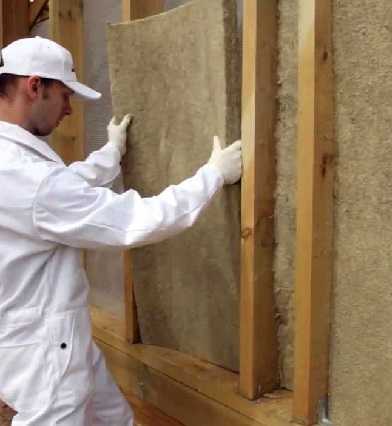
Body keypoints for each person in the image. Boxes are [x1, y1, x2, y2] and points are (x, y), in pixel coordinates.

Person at [0, 36, 242, 425]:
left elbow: (61, 191)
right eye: (64, 95)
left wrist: (111, 152)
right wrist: (212, 176)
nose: (68, 109)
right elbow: (137, 219)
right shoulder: (31, 179)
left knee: (114, 419)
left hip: (41, 334)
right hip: (45, 347)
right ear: (34, 86)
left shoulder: (13, 162)